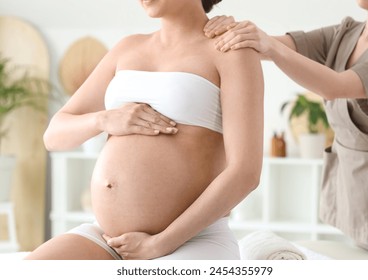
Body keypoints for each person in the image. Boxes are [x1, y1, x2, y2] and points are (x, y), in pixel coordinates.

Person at [25, 0, 264, 260]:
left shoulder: (231, 50)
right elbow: (54, 135)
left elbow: (245, 173)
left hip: (192, 240)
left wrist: (161, 243)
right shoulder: (127, 48)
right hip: (109, 239)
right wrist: (105, 120)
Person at [204, 0, 368, 257]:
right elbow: (265, 46)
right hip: (358, 195)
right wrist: (231, 31)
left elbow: (334, 86)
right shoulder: (345, 34)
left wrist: (267, 44)